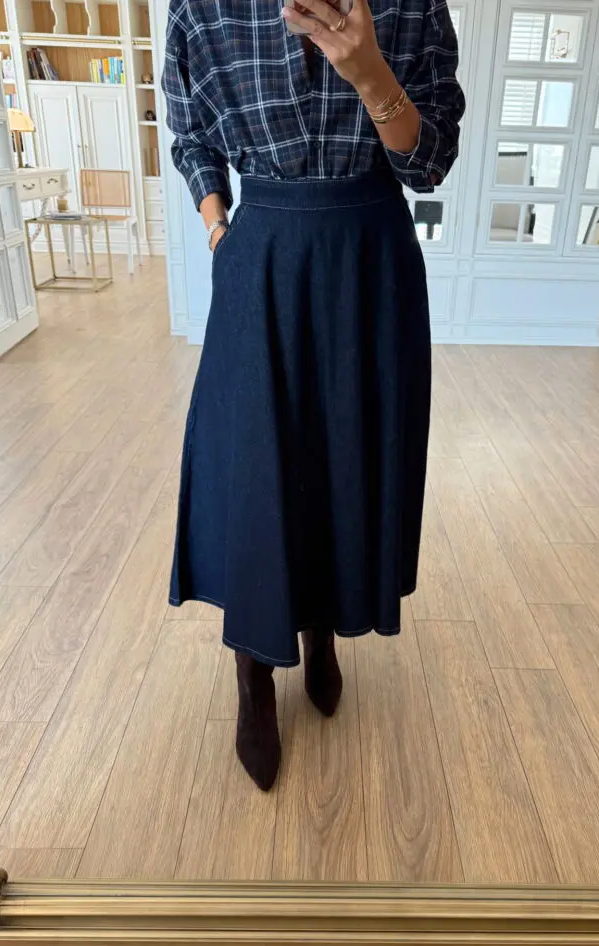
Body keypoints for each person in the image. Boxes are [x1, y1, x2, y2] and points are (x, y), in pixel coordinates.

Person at [163, 0, 465, 790]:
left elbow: (428, 164)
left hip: (370, 259)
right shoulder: (203, 6)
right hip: (260, 258)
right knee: (254, 471)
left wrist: (368, 72)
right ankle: (253, 673)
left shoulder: (409, 3)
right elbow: (191, 132)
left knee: (345, 460)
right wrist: (219, 228)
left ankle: (321, 627)